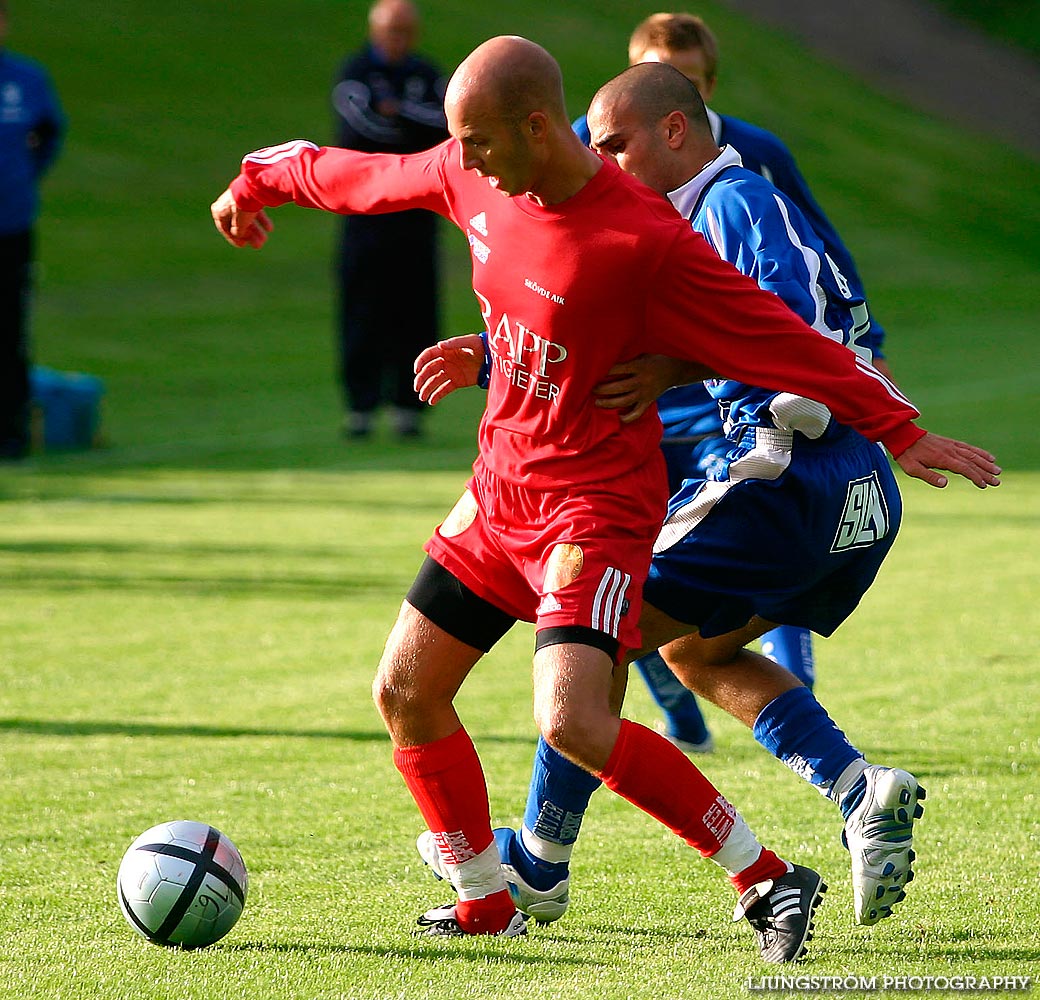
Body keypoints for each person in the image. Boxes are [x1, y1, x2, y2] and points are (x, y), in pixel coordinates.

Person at [211, 36, 997, 959]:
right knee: (406, 692)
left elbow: (784, 339)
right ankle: (485, 896)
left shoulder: (645, 238)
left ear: (535, 128)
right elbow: (365, 175)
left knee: (575, 720)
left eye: (477, 142)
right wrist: (256, 184)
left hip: (594, 510)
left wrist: (900, 430)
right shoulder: (478, 177)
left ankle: (768, 879)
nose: (459, 162)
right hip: (498, 493)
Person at [574, 11, 893, 752]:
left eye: (618, 144)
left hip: (757, 444)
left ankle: (542, 855)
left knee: (595, 630)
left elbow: (802, 297)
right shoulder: (623, 173)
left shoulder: (742, 181)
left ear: (692, 110)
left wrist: (864, 356)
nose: (606, 159)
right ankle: (846, 784)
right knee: (669, 630)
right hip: (692, 429)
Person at [331, 0, 448, 438]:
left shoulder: (428, 73)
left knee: (415, 308)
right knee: (362, 307)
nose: (398, 39)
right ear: (375, 30)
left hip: (416, 211)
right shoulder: (355, 71)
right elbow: (359, 128)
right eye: (390, 30)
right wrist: (408, 129)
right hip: (365, 212)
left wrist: (397, 111)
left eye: (405, 30)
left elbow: (446, 124)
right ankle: (360, 406)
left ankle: (409, 406)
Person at [0, 0, 65, 460]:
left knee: (8, 329)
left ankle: (11, 434)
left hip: (10, 221)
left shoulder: (25, 78)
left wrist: (23, 176)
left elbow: (48, 135)